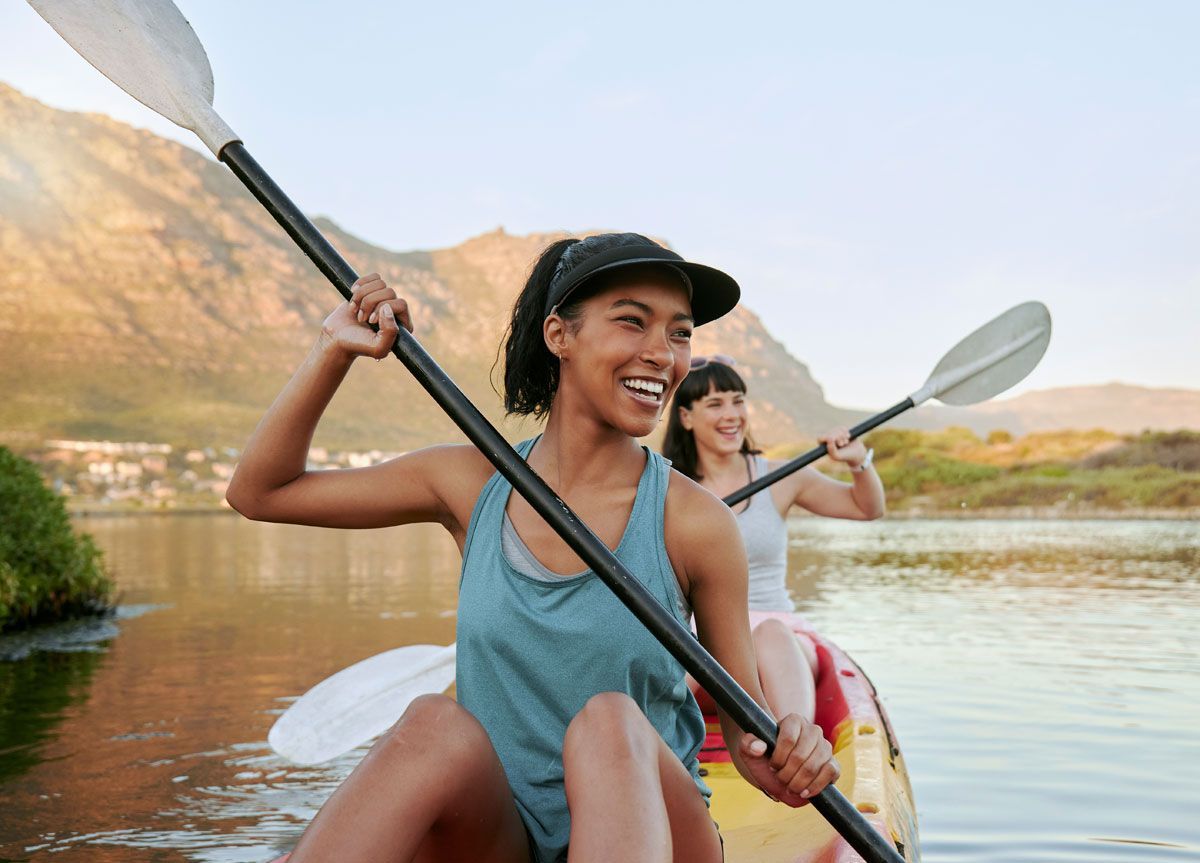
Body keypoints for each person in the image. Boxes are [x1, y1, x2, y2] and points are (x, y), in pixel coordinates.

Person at [226, 233, 839, 863]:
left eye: (680, 333)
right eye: (632, 321)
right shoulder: (469, 483)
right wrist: (334, 350)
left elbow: (746, 731)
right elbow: (262, 492)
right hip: (504, 837)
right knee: (432, 723)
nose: (662, 354)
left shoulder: (696, 522)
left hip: (662, 832)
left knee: (609, 722)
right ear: (559, 335)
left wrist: (787, 753)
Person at [661, 357, 885, 723]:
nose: (732, 414)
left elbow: (866, 508)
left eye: (737, 401)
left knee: (771, 635)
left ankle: (797, 753)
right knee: (686, 650)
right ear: (686, 417)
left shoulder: (782, 476)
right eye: (715, 405)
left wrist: (858, 463)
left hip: (779, 642)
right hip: (701, 647)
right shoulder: (667, 488)